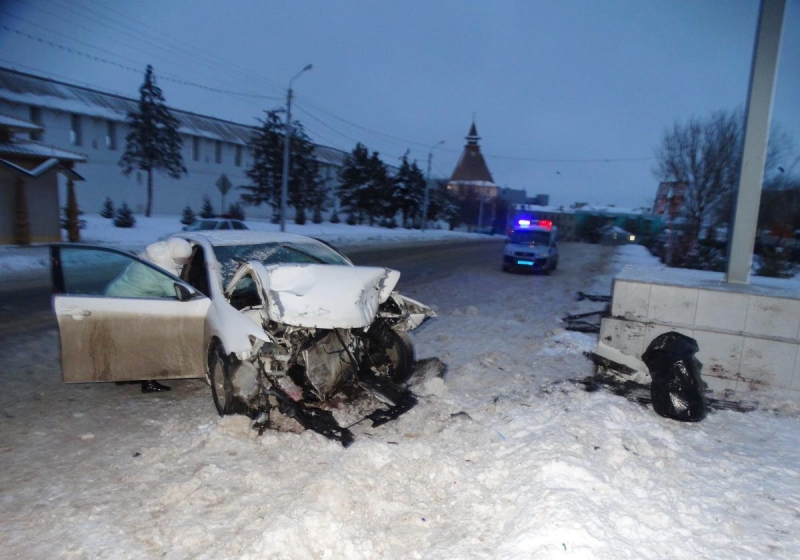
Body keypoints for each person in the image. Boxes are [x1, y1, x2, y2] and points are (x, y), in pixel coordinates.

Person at [106, 238, 192, 393]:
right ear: (173, 256)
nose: (184, 263)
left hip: (119, 297)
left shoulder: (155, 254)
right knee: (147, 342)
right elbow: (177, 293)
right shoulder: (162, 269)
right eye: (181, 260)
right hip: (127, 304)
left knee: (128, 341)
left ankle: (125, 376)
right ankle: (148, 382)